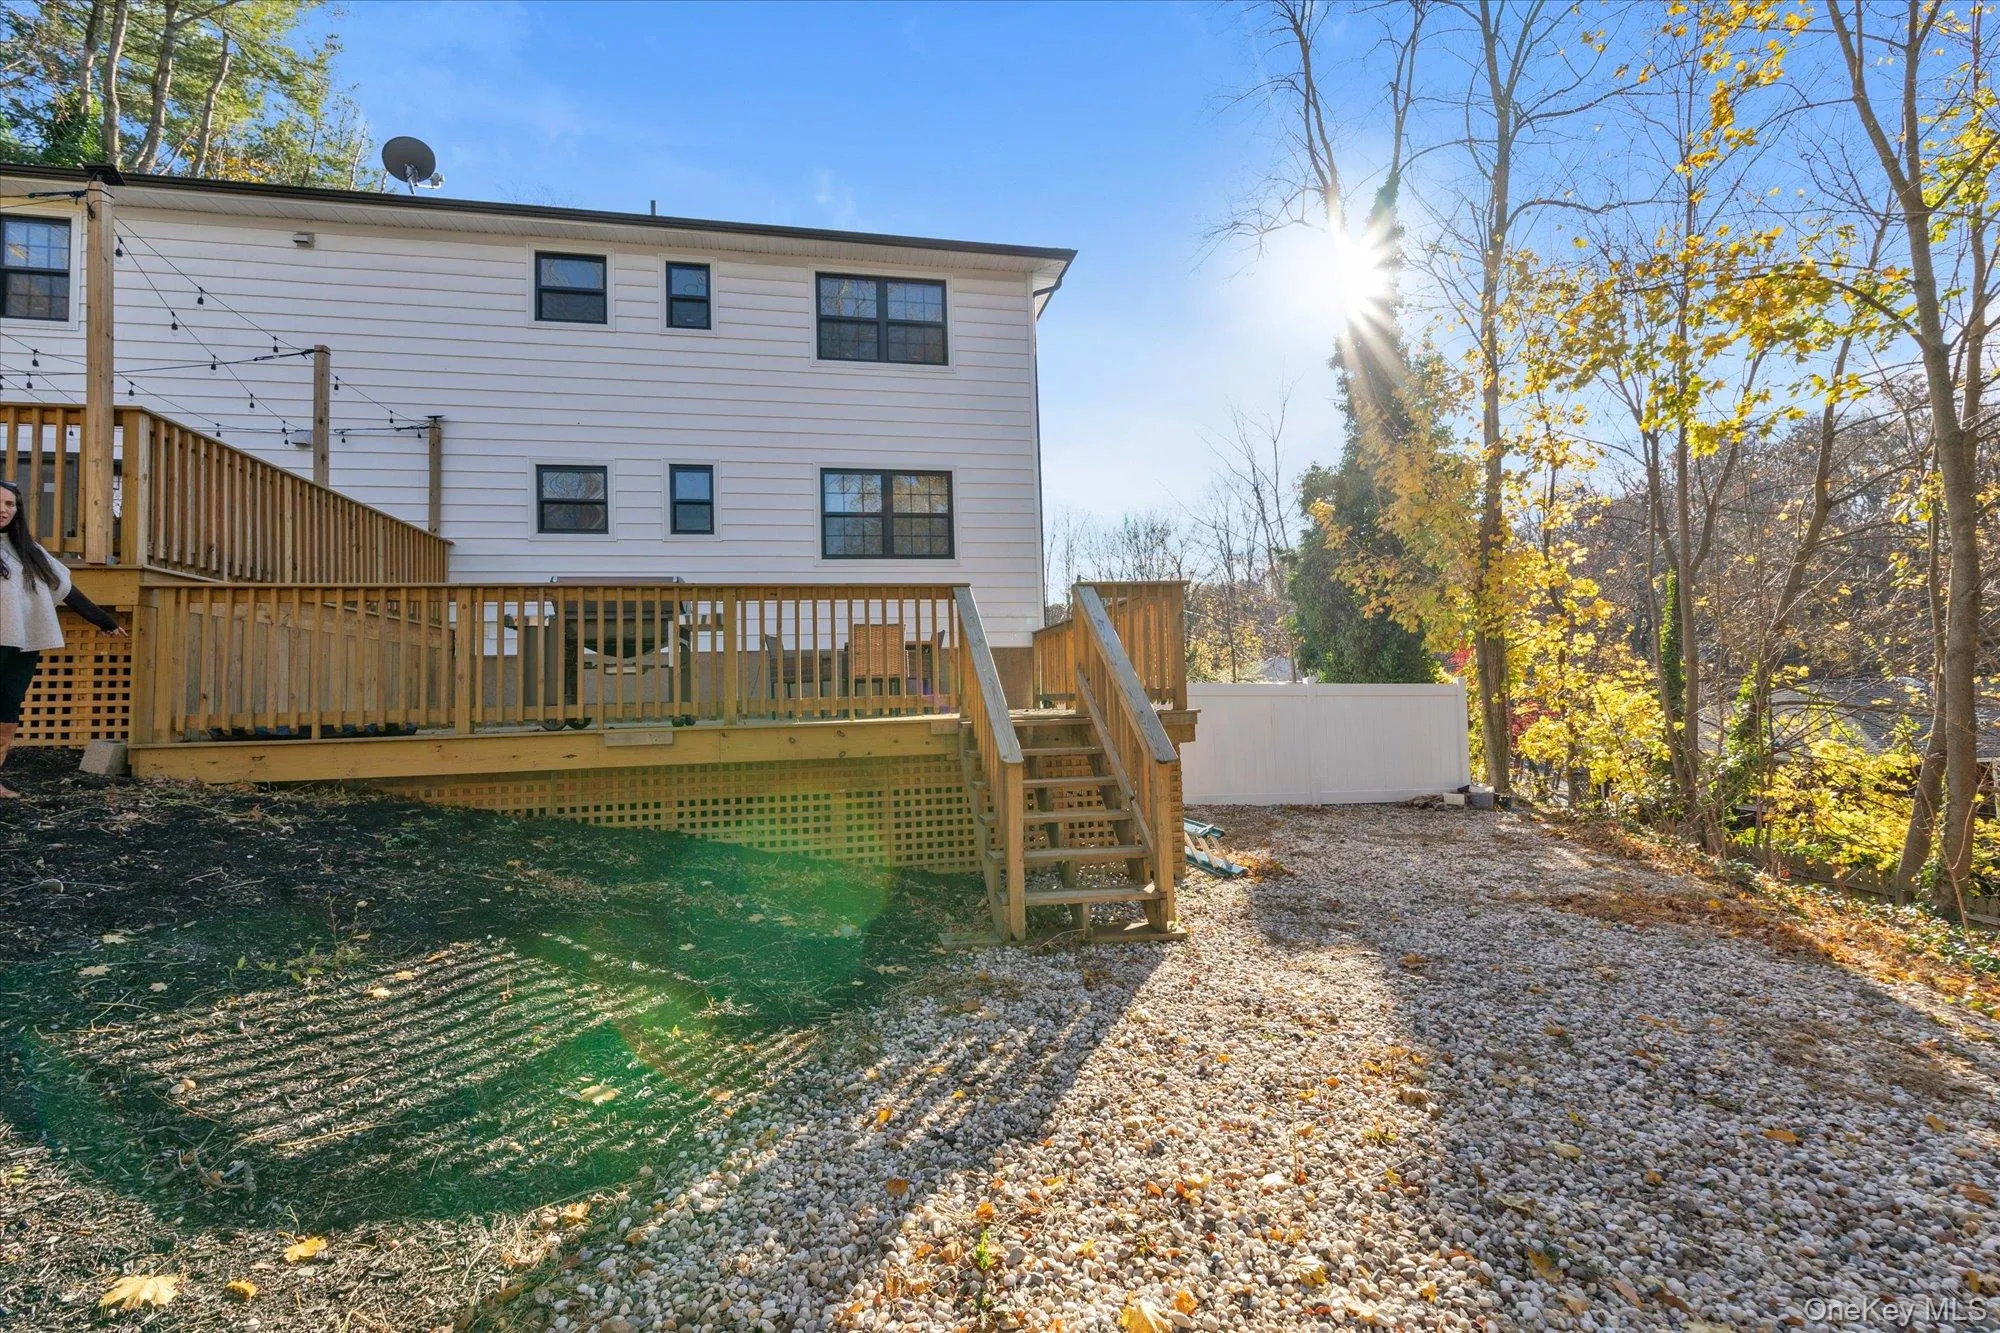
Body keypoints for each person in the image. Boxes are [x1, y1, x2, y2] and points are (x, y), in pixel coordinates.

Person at [0, 480, 124, 797]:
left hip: (21, 641)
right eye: (0, 503)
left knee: (7, 707)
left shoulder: (31, 551)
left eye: (10, 504)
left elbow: (65, 590)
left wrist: (103, 620)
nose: (4, 509)